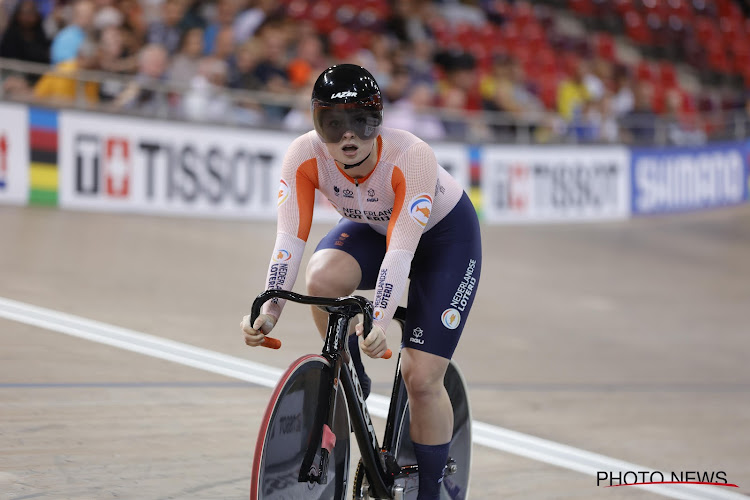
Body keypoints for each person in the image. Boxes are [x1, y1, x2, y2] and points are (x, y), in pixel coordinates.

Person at [240, 64, 482, 500]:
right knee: (321, 277)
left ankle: (430, 492)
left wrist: (381, 322)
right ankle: (352, 374)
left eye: (361, 122)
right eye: (333, 124)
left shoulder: (411, 155)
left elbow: (401, 252)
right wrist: (269, 310)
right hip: (374, 231)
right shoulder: (303, 154)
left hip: (444, 240)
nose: (348, 137)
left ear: (379, 120)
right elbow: (288, 240)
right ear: (316, 123)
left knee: (421, 376)